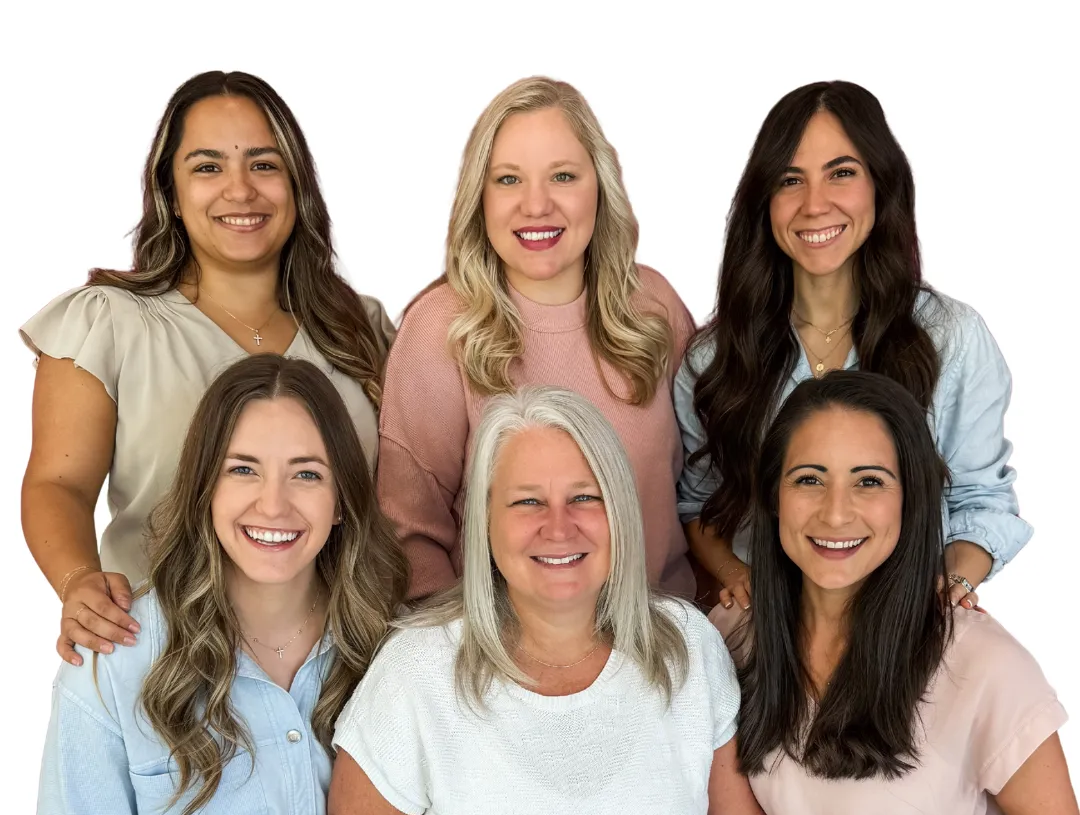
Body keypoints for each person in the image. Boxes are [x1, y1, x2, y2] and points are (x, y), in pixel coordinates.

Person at [326, 385, 836, 815]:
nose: (558, 527)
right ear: (484, 521)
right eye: (527, 501)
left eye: (584, 498)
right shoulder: (417, 672)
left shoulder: (685, 647)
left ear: (619, 514)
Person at [38, 356, 475, 815]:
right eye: (243, 470)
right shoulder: (116, 654)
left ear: (342, 501)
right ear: (204, 487)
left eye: (305, 473)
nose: (273, 505)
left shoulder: (383, 648)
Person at [697, 371, 1078, 815]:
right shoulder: (728, 644)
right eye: (809, 479)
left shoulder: (977, 658)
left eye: (869, 481)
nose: (836, 512)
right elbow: (673, 801)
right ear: (773, 495)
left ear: (911, 500)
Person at [21, 70, 395, 667]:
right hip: (164, 660)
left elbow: (400, 500)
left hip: (339, 667)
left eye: (264, 164)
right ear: (169, 189)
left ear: (298, 185)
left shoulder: (361, 329)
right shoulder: (108, 324)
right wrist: (78, 582)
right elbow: (57, 484)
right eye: (207, 166)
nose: (240, 190)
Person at [675, 81, 1030, 613]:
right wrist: (739, 579)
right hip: (764, 648)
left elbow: (983, 500)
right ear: (764, 202)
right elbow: (699, 505)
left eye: (841, 173)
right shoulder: (713, 357)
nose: (815, 205)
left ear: (880, 185)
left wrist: (947, 587)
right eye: (790, 180)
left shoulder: (951, 339)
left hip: (903, 640)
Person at [376, 76, 697, 601]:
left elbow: (701, 488)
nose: (536, 205)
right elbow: (408, 534)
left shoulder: (653, 305)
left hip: (663, 641)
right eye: (508, 180)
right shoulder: (440, 328)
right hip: (504, 661)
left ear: (601, 183)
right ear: (478, 195)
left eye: (563, 176)